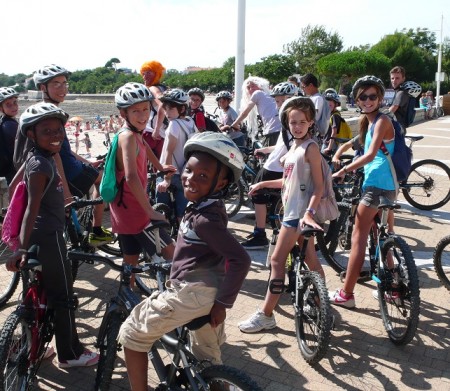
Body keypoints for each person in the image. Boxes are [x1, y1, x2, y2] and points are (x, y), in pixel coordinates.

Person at [117, 131, 251, 390]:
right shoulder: (207, 207)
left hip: (191, 293)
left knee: (132, 335)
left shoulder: (205, 219)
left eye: (203, 176)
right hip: (206, 293)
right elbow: (198, 249)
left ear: (221, 184)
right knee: (208, 362)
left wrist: (223, 304)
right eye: (188, 170)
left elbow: (241, 259)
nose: (190, 179)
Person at [6, 102, 99, 368]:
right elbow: (30, 209)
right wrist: (20, 249)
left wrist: (58, 200)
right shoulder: (42, 165)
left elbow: (14, 188)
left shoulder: (36, 158)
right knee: (64, 295)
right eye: (47, 131)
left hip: (40, 234)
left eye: (59, 129)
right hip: (48, 236)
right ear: (31, 135)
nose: (56, 135)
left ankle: (31, 344)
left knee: (40, 293)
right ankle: (70, 353)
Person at [238, 96, 325, 333]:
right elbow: (288, 182)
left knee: (277, 261)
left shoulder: (311, 147)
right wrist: (263, 185)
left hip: (298, 215)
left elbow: (319, 187)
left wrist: (309, 213)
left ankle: (266, 315)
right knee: (311, 260)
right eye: (292, 122)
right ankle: (320, 306)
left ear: (310, 123)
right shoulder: (295, 146)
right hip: (295, 212)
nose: (296, 126)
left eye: (301, 122)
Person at [329, 76, 396, 308]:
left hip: (376, 185)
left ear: (379, 98)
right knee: (383, 237)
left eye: (372, 96)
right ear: (357, 100)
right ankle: (393, 288)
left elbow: (368, 156)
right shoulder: (371, 122)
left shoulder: (381, 121)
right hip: (388, 187)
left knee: (358, 239)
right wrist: (338, 154)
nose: (368, 100)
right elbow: (355, 145)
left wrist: (343, 170)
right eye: (363, 97)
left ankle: (346, 294)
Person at [111, 82, 176, 276]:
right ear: (123, 114)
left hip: (124, 206)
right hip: (134, 208)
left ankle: (127, 297)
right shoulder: (128, 136)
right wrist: (150, 211)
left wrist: (160, 167)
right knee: (172, 253)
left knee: (130, 258)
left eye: (146, 109)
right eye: (136, 111)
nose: (143, 116)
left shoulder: (134, 133)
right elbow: (131, 178)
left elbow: (146, 147)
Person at [240, 82, 295, 249]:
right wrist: (265, 149)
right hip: (276, 163)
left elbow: (295, 146)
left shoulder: (290, 122)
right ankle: (263, 227)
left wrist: (285, 156)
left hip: (274, 167)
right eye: (277, 102)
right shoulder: (288, 121)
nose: (278, 105)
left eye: (281, 101)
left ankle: (260, 234)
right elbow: (282, 145)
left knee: (256, 193)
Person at [156, 89, 198, 221]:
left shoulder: (174, 125)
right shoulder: (190, 122)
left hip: (170, 172)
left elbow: (168, 152)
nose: (167, 113)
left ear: (182, 108)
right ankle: (183, 238)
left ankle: (164, 235)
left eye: (171, 109)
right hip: (185, 171)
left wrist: (166, 179)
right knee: (182, 210)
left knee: (161, 209)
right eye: (166, 109)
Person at [230, 76, 282, 146]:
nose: (251, 89)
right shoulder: (269, 95)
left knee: (267, 154)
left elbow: (245, 113)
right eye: (248, 88)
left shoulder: (257, 93)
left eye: (253, 86)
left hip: (273, 131)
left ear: (260, 85)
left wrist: (235, 124)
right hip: (282, 130)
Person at [140, 60, 168, 159]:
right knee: (160, 166)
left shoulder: (153, 89)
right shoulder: (165, 88)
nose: (145, 76)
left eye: (149, 72)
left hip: (151, 134)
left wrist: (156, 129)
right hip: (164, 135)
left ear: (157, 74)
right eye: (143, 73)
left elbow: (162, 104)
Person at [0, 87, 20, 184]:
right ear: (1, 108)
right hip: (12, 172)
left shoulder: (3, 122)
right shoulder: (10, 125)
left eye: (15, 103)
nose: (13, 107)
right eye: (8, 105)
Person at [322, 89, 345, 155]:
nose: (328, 105)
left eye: (330, 104)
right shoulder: (331, 114)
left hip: (330, 144)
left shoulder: (335, 116)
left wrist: (329, 147)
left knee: (326, 163)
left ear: (336, 104)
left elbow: (334, 132)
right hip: (328, 142)